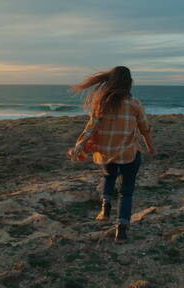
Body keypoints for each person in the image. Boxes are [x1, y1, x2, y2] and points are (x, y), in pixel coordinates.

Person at [67, 66, 155, 243]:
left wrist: (79, 146)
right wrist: (150, 147)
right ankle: (121, 231)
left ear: (110, 83)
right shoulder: (135, 103)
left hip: (107, 154)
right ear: (129, 84)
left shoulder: (102, 104)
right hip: (129, 154)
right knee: (126, 192)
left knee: (108, 177)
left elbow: (90, 128)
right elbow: (144, 129)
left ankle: (105, 208)